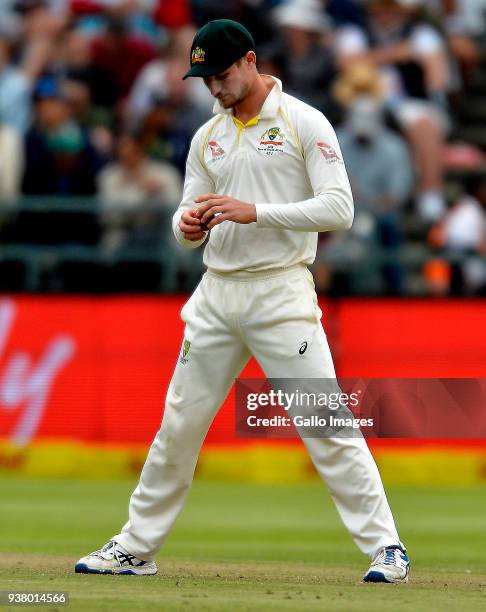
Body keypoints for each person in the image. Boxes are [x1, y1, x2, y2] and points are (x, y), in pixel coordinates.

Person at [75, 19, 410, 584]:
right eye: (205, 78)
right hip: (216, 292)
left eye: (222, 75)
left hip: (280, 291)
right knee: (178, 426)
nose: (214, 89)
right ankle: (135, 548)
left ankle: (387, 548)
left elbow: (340, 209)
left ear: (251, 62)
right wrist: (187, 224)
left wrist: (258, 212)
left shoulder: (303, 121)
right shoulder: (208, 137)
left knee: (325, 422)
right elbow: (183, 230)